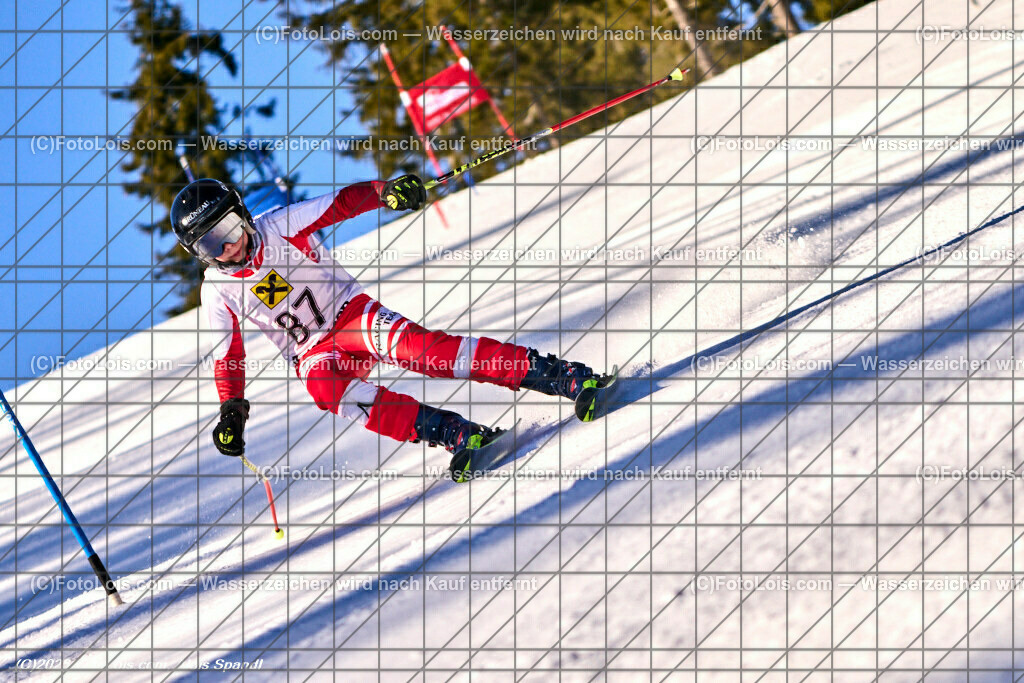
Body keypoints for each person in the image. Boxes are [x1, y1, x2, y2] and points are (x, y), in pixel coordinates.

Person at [171, 176, 613, 480]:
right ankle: (453, 432)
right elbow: (229, 356)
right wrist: (233, 409)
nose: (229, 246)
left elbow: (341, 204)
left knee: (429, 355)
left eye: (228, 228)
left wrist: (388, 193)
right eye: (212, 243)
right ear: (200, 253)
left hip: (350, 315)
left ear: (242, 214)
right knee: (327, 391)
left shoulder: (278, 227)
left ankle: (564, 377)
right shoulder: (218, 291)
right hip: (312, 352)